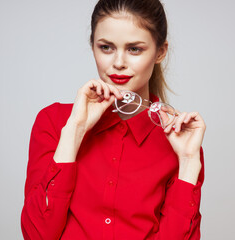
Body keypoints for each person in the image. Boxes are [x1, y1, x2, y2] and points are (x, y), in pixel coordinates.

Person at [20, 0, 206, 239]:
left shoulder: (180, 140)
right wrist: (74, 130)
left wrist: (189, 162)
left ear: (160, 52)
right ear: (92, 46)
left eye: (134, 49)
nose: (118, 63)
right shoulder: (54, 122)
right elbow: (37, 235)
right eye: (106, 47)